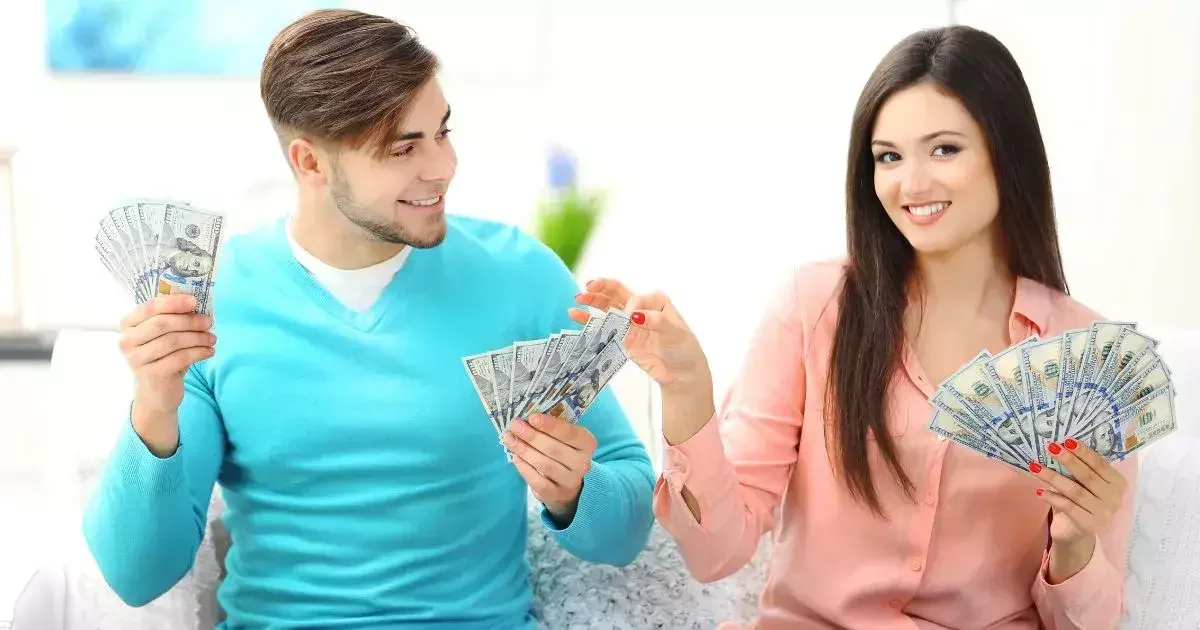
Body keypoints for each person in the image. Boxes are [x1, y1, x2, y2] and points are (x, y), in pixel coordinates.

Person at [82, 8, 654, 628]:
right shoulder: (212, 301)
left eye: (442, 131)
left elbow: (623, 535)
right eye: (403, 147)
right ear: (311, 163)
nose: (442, 166)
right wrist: (153, 410)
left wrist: (576, 492)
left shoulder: (520, 277)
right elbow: (136, 576)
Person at [574, 25, 1136, 630]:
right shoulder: (813, 306)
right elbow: (718, 553)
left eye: (944, 149)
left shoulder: (1089, 361)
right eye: (888, 156)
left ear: (1008, 152)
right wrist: (686, 388)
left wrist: (1076, 544)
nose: (911, 184)